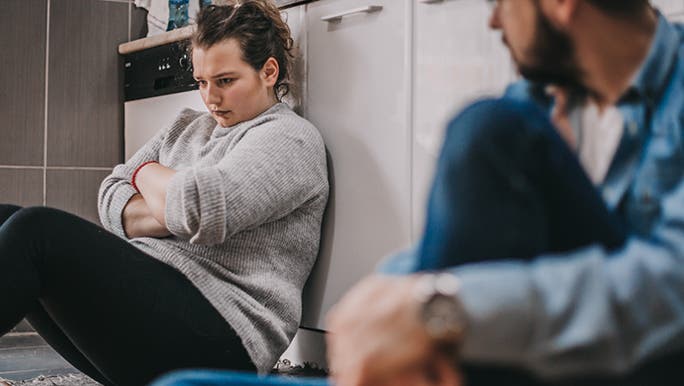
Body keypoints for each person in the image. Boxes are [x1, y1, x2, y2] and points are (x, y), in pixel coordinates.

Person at [149, 0, 684, 386]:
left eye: (503, 2)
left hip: (645, 348)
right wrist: (389, 295)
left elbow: (670, 292)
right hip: (536, 344)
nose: (495, 19)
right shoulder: (543, 96)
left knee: (486, 127)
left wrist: (440, 311)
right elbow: (453, 247)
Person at [0, 1, 328, 385]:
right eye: (202, 82)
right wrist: (173, 202)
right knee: (6, 216)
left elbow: (200, 210)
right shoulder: (186, 126)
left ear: (268, 71)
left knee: (36, 230)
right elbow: (110, 196)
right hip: (158, 317)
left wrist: (143, 172)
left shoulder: (289, 139)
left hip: (222, 336)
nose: (211, 98)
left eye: (225, 81)